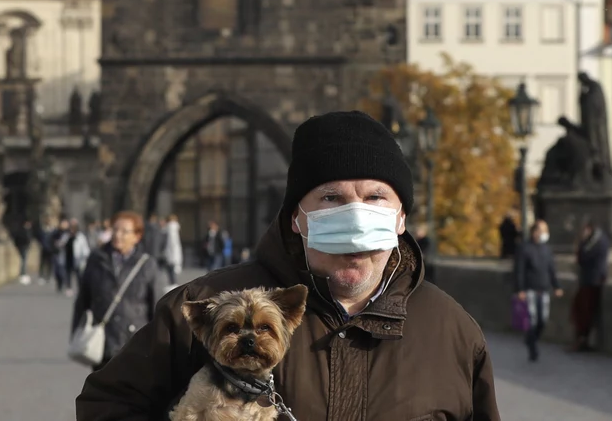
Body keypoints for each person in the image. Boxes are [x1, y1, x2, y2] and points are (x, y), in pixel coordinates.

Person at [76, 111, 500, 420]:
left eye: (374, 197)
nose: (355, 215)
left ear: (401, 217)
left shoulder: (453, 331)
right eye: (331, 198)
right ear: (297, 217)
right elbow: (105, 406)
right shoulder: (200, 307)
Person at [71, 211, 166, 371]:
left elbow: (157, 307)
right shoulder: (96, 259)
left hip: (135, 343)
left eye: (124, 231)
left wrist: (160, 344)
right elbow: (83, 300)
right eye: (115, 230)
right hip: (103, 341)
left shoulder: (147, 265)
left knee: (132, 393)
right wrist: (77, 333)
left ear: (137, 236)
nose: (118, 235)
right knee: (103, 392)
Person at [515, 219, 562, 362]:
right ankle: (533, 348)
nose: (544, 233)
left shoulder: (546, 249)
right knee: (532, 320)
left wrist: (556, 286)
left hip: (544, 289)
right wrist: (520, 289)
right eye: (542, 230)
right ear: (534, 232)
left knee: (543, 321)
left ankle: (531, 339)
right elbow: (519, 270)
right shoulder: (525, 248)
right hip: (530, 290)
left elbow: (551, 269)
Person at [572, 219, 610, 352]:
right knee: (580, 311)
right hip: (588, 280)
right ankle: (582, 339)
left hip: (593, 281)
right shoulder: (596, 241)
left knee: (585, 312)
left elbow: (583, 258)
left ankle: (583, 340)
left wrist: (581, 243)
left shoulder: (598, 242)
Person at [162, 214, 183, 285]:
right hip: (174, 251)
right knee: (172, 269)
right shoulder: (173, 228)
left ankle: (173, 284)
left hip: (171, 252)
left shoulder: (170, 227)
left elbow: (172, 242)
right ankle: (173, 283)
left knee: (171, 269)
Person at [12, 220, 33, 284]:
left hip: (24, 247)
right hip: (22, 247)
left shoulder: (28, 231)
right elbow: (18, 239)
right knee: (23, 260)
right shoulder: (22, 231)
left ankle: (23, 273)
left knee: (24, 260)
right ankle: (22, 273)